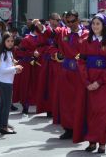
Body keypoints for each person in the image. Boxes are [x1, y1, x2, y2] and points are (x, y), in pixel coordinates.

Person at [35, 10, 88, 139]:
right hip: (65, 71)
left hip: (81, 73)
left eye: (72, 21)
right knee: (66, 101)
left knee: (80, 101)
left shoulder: (86, 34)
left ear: (78, 19)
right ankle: (68, 128)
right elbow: (50, 39)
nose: (70, 24)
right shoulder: (62, 32)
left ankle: (81, 128)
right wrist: (56, 54)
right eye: (67, 21)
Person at [73, 13, 106, 153]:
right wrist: (86, 82)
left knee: (103, 113)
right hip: (88, 82)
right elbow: (81, 62)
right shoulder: (86, 41)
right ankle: (92, 141)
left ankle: (102, 142)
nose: (95, 26)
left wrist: (99, 82)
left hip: (103, 84)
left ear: (103, 26)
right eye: (93, 24)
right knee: (89, 112)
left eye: (98, 24)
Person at [0, 32, 23, 134]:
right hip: (4, 82)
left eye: (12, 41)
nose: (10, 43)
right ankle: (3, 126)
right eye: (8, 41)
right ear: (3, 42)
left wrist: (15, 69)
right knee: (6, 105)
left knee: (3, 105)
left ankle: (0, 125)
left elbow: (7, 69)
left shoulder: (8, 53)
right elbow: (3, 70)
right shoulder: (3, 53)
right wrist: (15, 67)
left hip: (5, 81)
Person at [35, 13, 61, 117]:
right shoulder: (45, 30)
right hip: (48, 62)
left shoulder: (61, 30)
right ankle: (49, 109)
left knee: (58, 85)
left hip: (58, 61)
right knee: (47, 85)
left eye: (59, 20)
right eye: (56, 20)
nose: (58, 22)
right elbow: (42, 31)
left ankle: (58, 108)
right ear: (50, 20)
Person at [13, 23, 39, 115]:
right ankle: (25, 105)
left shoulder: (41, 37)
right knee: (26, 85)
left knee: (35, 85)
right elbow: (20, 52)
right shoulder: (26, 39)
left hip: (38, 65)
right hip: (27, 65)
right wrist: (32, 53)